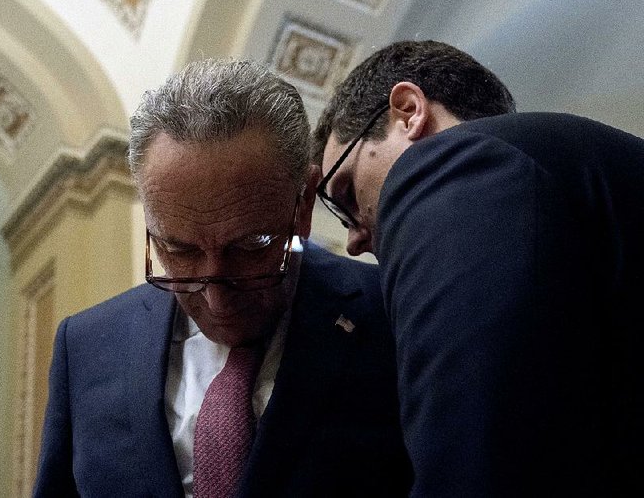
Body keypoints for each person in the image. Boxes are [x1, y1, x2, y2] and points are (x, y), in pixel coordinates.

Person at [34, 59, 412, 497]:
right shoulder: (87, 345)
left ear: (304, 203)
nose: (215, 298)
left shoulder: (392, 314)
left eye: (252, 246)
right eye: (178, 250)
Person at [314, 39, 644, 497]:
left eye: (345, 194)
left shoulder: (451, 168)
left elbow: (475, 459)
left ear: (409, 111)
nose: (353, 241)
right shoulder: (560, 169)